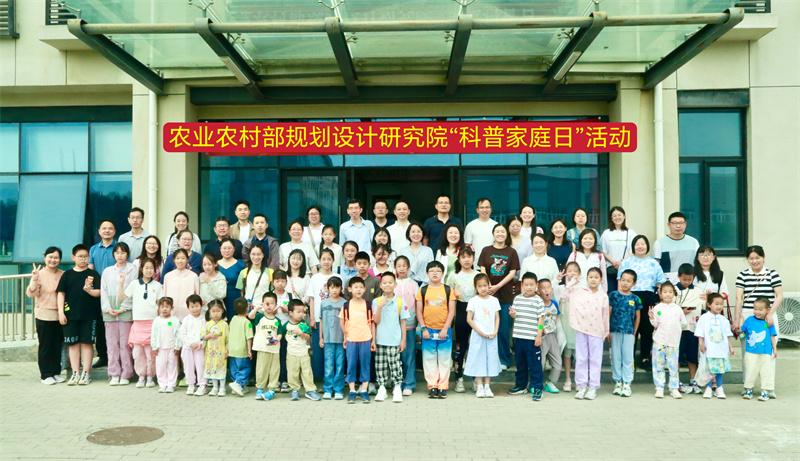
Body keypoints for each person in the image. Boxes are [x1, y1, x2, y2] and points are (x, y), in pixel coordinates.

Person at [734, 245, 782, 399]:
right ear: (747, 259)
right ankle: (747, 385)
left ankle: (768, 387)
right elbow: (738, 298)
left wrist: (770, 314)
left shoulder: (772, 274)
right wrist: (737, 318)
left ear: (763, 257)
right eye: (751, 258)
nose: (754, 261)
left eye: (757, 258)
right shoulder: (743, 275)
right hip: (749, 315)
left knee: (768, 352)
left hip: (768, 314)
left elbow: (779, 296)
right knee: (748, 353)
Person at [617, 235, 665, 367]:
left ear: (647, 246)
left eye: (643, 243)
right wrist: (621, 299)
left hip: (649, 297)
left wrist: (659, 299)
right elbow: (620, 282)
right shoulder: (626, 263)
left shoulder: (653, 263)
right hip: (630, 297)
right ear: (633, 246)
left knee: (647, 328)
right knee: (630, 328)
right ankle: (629, 358)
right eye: (637, 244)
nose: (640, 246)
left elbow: (660, 283)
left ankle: (645, 357)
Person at [57, 244, 101, 386]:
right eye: (80, 256)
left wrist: (89, 290)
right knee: (73, 344)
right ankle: (75, 373)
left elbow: (100, 292)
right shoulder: (67, 275)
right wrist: (60, 312)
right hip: (70, 316)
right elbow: (61, 294)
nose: (83, 259)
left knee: (87, 343)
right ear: (73, 257)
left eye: (86, 256)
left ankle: (86, 373)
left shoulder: (93, 274)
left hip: (90, 315)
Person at [478, 223, 520, 369]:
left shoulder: (511, 252)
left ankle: (504, 360)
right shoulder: (486, 250)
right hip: (487, 294)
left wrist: (497, 286)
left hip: (505, 295)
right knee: (486, 326)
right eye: (497, 231)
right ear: (493, 234)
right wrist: (488, 284)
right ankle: (487, 358)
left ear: (506, 234)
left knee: (503, 329)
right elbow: (482, 269)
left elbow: (512, 273)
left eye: (503, 231)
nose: (500, 234)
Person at [563, 267, 609, 401]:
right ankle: (582, 386)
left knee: (595, 359)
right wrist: (573, 281)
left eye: (596, 277)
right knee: (581, 358)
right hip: (582, 329)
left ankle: (593, 387)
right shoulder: (580, 292)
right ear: (587, 278)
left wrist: (606, 331)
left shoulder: (603, 296)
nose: (593, 280)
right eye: (591, 277)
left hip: (597, 331)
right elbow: (565, 295)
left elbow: (605, 314)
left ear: (601, 280)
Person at [416, 261, 456, 399]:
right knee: (429, 359)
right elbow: (419, 311)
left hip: (445, 331)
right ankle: (432, 386)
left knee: (444, 359)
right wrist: (423, 328)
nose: (435, 273)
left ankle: (443, 386)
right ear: (427, 274)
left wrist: (445, 328)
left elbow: (452, 311)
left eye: (438, 271)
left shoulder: (448, 290)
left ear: (443, 273)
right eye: (432, 270)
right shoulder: (423, 290)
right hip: (428, 331)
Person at [119, 257, 161, 388]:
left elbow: (160, 304)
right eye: (146, 268)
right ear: (141, 269)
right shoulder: (134, 284)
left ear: (155, 270)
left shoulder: (158, 285)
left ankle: (150, 377)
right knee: (137, 353)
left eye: (151, 268)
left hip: (152, 323)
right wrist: (121, 283)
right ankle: (141, 376)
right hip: (138, 323)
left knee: (151, 353)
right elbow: (122, 297)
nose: (149, 270)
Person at [27, 247, 65, 385]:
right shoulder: (39, 274)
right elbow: (31, 293)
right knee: (46, 346)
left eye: (56, 257)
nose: (53, 260)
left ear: (60, 259)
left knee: (57, 346)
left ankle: (55, 372)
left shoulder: (63, 274)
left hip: (59, 315)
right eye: (50, 257)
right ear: (45, 258)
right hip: (44, 315)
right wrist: (34, 279)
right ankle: (45, 375)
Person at [100, 242, 136, 386]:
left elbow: (133, 292)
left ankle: (126, 374)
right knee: (112, 344)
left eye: (123, 252)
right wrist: (108, 309)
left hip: (126, 312)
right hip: (110, 313)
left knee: (125, 345)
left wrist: (124, 308)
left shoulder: (133, 269)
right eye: (117, 252)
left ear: (127, 254)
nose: (120, 255)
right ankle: (114, 373)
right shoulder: (107, 271)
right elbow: (103, 292)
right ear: (113, 254)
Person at [372, 272, 412, 403]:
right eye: (384, 283)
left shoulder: (400, 302)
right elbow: (375, 321)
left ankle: (397, 387)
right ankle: (382, 388)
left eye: (390, 282)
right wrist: (380, 306)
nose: (387, 285)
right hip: (380, 340)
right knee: (380, 365)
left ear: (395, 284)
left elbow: (403, 322)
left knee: (395, 365)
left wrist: (403, 340)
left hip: (394, 340)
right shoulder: (376, 301)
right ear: (381, 285)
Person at [507, 272, 545, 401]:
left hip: (532, 339)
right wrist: (512, 314)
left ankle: (537, 388)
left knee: (535, 365)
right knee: (521, 364)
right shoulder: (517, 299)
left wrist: (539, 335)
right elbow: (515, 316)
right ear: (522, 285)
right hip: (519, 337)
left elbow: (541, 320)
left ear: (536, 285)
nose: (529, 287)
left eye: (531, 285)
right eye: (526, 285)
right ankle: (521, 386)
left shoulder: (538, 301)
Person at [464, 273, 502, 398]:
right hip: (478, 335)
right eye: (480, 286)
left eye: (485, 285)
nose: (483, 288)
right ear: (475, 287)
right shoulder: (473, 301)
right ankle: (479, 386)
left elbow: (497, 317)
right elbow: (469, 319)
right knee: (478, 359)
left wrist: (495, 331)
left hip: (491, 335)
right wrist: (479, 331)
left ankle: (487, 386)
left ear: (489, 285)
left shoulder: (494, 300)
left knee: (490, 359)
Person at [446, 246, 477, 393]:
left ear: (473, 258)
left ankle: (476, 379)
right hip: (460, 310)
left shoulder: (478, 275)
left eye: (469, 256)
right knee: (461, 346)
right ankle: (458, 379)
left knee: (476, 346)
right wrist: (453, 292)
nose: (466, 260)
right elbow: (446, 292)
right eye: (463, 257)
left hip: (476, 311)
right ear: (458, 259)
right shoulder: (453, 275)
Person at [648, 282, 687, 399]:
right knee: (658, 365)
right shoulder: (657, 308)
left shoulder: (677, 309)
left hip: (673, 342)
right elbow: (655, 324)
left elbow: (683, 323)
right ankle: (659, 388)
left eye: (670, 292)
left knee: (673, 366)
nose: (668, 294)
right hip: (659, 340)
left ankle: (674, 388)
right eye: (665, 292)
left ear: (674, 293)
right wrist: (651, 317)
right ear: (660, 293)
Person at [307, 249, 342, 378]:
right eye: (324, 259)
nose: (326, 262)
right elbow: (312, 298)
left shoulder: (338, 277)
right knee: (319, 349)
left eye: (329, 259)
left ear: (333, 261)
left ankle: (333, 377)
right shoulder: (315, 278)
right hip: (319, 318)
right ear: (319, 261)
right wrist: (312, 318)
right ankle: (319, 377)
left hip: (335, 319)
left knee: (334, 350)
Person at [608, 269, 643, 398]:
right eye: (623, 280)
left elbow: (638, 317)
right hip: (614, 330)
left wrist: (634, 332)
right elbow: (608, 312)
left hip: (628, 332)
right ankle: (618, 382)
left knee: (628, 357)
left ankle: (627, 383)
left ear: (634, 283)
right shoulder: (613, 295)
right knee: (616, 357)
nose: (625, 283)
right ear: (619, 280)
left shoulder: (636, 298)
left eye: (628, 281)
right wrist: (607, 330)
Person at [340, 277, 375, 404]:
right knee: (351, 365)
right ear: (350, 289)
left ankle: (364, 390)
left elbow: (372, 323)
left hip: (366, 339)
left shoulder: (368, 305)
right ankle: (352, 391)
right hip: (351, 340)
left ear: (364, 289)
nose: (358, 290)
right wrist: (345, 337)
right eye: (356, 287)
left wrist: (373, 340)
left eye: (361, 287)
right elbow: (342, 322)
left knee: (365, 364)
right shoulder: (346, 305)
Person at [695, 293, 735, 399]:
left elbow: (727, 335)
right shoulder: (704, 318)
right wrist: (701, 345)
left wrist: (730, 347)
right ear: (709, 304)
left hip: (721, 350)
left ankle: (719, 388)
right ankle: (708, 388)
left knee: (720, 370)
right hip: (709, 349)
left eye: (721, 304)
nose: (719, 306)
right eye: (716, 304)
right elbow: (700, 333)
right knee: (709, 370)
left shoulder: (724, 319)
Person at [88, 219, 116, 369]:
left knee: (115, 325)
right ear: (99, 231)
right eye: (104, 228)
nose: (107, 231)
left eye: (110, 228)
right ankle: (103, 356)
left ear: (114, 231)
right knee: (100, 325)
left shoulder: (119, 248)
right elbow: (90, 270)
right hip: (98, 291)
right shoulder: (93, 249)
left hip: (115, 291)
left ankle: (115, 356)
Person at [674, 263, 705, 394]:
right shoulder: (673, 290)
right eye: (684, 279)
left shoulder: (698, 291)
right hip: (678, 329)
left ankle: (693, 381)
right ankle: (675, 381)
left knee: (693, 356)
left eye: (689, 279)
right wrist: (681, 311)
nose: (687, 282)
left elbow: (704, 306)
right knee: (678, 355)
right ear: (678, 276)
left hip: (693, 327)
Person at [740, 297, 778, 401]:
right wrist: (741, 318)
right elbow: (742, 329)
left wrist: (774, 349)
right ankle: (748, 389)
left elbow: (772, 336)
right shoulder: (749, 320)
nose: (757, 312)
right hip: (751, 351)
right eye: (755, 309)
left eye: (760, 310)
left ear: (768, 310)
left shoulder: (768, 322)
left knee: (766, 371)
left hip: (765, 351)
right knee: (750, 370)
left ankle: (765, 391)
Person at [282, 299, 319, 401]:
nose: (301, 314)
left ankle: (310, 390)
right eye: (298, 312)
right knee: (292, 372)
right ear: (290, 313)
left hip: (303, 353)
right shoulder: (286, 325)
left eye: (303, 312)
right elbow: (281, 335)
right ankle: (294, 390)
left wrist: (301, 333)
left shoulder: (304, 324)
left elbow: (308, 336)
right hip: (291, 353)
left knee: (307, 372)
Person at [394, 256, 419, 396]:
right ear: (395, 268)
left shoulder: (414, 284)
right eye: (399, 266)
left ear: (409, 268)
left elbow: (418, 304)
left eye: (404, 266)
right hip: (393, 325)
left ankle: (409, 383)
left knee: (409, 355)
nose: (402, 268)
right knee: (395, 355)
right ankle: (396, 382)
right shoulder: (392, 283)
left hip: (409, 325)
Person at [251, 292, 283, 401]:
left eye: (272, 303)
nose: (269, 306)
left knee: (274, 370)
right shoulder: (259, 316)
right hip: (262, 348)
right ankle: (260, 389)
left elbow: (280, 333)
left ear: (276, 305)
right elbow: (250, 316)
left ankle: (272, 390)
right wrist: (257, 308)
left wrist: (277, 340)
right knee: (261, 369)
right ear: (263, 304)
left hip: (274, 349)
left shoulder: (277, 320)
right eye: (266, 303)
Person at [319, 277, 346, 400]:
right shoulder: (324, 304)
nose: (334, 290)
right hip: (328, 339)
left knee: (340, 364)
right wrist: (321, 337)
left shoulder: (345, 303)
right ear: (328, 289)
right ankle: (328, 389)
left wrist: (346, 338)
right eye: (332, 287)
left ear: (341, 288)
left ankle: (338, 389)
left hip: (341, 339)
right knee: (328, 365)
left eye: (337, 287)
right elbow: (321, 321)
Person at [653, 211, 700, 280]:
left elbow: (699, 263)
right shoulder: (659, 243)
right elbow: (656, 266)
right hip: (668, 283)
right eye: (674, 223)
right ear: (669, 225)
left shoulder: (694, 242)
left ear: (685, 224)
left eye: (681, 223)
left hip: (689, 281)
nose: (678, 226)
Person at [600, 207, 636, 292]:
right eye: (614, 216)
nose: (617, 217)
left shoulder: (630, 233)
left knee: (625, 293)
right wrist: (613, 261)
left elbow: (633, 251)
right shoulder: (606, 233)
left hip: (626, 270)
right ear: (611, 218)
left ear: (624, 216)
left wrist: (622, 262)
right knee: (611, 294)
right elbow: (603, 251)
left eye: (619, 215)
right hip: (610, 270)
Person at [537, 279, 563, 394]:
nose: (546, 290)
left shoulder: (555, 303)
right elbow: (538, 320)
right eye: (543, 288)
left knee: (558, 362)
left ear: (552, 290)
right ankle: (537, 383)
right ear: (538, 291)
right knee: (541, 363)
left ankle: (550, 383)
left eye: (548, 287)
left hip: (552, 335)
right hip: (542, 336)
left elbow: (557, 315)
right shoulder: (538, 304)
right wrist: (541, 329)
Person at [150, 297, 181, 393]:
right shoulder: (157, 320)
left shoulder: (175, 320)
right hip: (160, 348)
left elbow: (178, 334)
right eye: (162, 307)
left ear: (172, 308)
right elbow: (153, 334)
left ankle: (171, 384)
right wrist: (154, 346)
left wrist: (177, 346)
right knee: (161, 366)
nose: (164, 309)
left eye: (167, 307)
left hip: (172, 347)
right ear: (159, 308)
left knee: (172, 366)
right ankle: (162, 384)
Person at [559, 262, 581, 392]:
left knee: (579, 354)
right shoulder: (563, 287)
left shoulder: (582, 288)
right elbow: (561, 298)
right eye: (570, 270)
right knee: (567, 353)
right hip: (565, 322)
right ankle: (568, 379)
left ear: (579, 274)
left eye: (575, 271)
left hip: (578, 324)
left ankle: (579, 380)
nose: (572, 273)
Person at [236, 242, 273, 320]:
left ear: (263, 255)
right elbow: (242, 293)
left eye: (259, 254)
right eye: (253, 254)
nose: (256, 257)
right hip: (249, 311)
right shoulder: (244, 272)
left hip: (264, 311)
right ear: (249, 255)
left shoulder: (270, 272)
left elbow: (272, 292)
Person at [179, 294, 208, 396]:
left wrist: (202, 344)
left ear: (201, 306)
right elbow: (182, 334)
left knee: (201, 366)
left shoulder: (204, 319)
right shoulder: (186, 319)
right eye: (192, 306)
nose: (195, 309)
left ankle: (202, 385)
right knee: (188, 367)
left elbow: (206, 334)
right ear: (188, 307)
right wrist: (190, 343)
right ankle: (191, 385)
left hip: (199, 348)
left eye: (197, 306)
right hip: (188, 348)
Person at [201, 300, 229, 397]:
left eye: (218, 311)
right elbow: (202, 337)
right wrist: (209, 336)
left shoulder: (225, 325)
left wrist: (227, 349)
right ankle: (215, 387)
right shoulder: (207, 324)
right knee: (212, 368)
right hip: (210, 351)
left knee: (221, 368)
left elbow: (227, 339)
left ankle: (222, 387)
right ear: (209, 311)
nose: (216, 313)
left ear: (222, 311)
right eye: (213, 311)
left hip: (221, 351)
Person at [162, 249, 200, 321]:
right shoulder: (168, 276)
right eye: (177, 258)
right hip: (171, 313)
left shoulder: (193, 276)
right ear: (174, 260)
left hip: (188, 314)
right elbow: (164, 296)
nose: (180, 261)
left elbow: (197, 295)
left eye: (183, 258)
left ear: (187, 259)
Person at [227, 298, 254, 397]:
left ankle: (238, 385)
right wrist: (249, 350)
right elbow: (249, 337)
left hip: (232, 349)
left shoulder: (233, 319)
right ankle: (238, 384)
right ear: (247, 308)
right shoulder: (247, 322)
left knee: (234, 369)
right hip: (242, 350)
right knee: (245, 368)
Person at [271, 270, 292, 392]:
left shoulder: (290, 296)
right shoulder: (269, 296)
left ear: (286, 282)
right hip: (273, 330)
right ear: (272, 282)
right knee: (274, 356)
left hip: (286, 330)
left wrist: (288, 311)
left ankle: (285, 380)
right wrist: (271, 312)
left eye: (283, 281)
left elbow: (297, 311)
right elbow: (264, 311)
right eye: (277, 281)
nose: (280, 284)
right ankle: (275, 380)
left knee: (285, 355)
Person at [217, 238, 246, 317]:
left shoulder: (240, 265)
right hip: (219, 299)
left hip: (235, 298)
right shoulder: (215, 265)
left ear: (234, 249)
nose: (227, 250)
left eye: (229, 248)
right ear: (220, 249)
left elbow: (244, 285)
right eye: (224, 248)